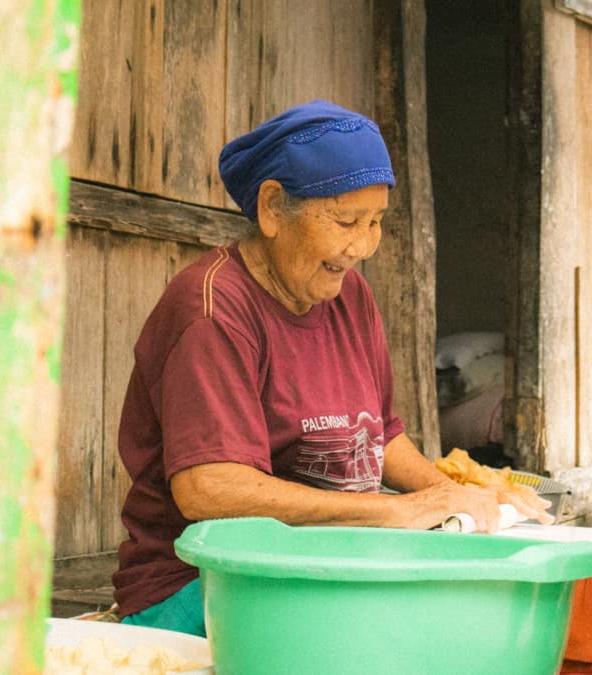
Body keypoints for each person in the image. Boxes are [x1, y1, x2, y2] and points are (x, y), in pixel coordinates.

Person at [112, 99, 554, 636]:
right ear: (273, 208)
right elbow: (211, 489)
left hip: (320, 568)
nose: (362, 246)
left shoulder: (348, 295)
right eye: (346, 221)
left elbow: (379, 437)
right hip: (208, 585)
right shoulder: (212, 310)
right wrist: (399, 513)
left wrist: (457, 497)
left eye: (376, 222)